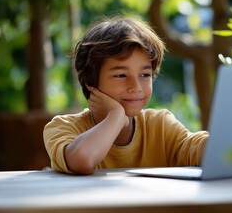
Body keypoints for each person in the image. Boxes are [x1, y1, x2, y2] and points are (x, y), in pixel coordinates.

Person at [43, 16, 209, 175]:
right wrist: (116, 116)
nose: (135, 87)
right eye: (121, 75)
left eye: (145, 75)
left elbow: (204, 150)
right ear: (90, 81)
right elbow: (83, 160)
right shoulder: (64, 127)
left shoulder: (160, 126)